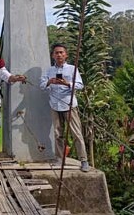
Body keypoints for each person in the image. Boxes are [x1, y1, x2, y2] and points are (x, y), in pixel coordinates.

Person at [40, 44, 90, 173]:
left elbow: (80, 85)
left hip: (69, 105)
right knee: (58, 134)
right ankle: (60, 159)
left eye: (61, 52)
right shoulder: (49, 70)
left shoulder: (72, 69)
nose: (59, 55)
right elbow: (41, 85)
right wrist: (50, 82)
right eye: (56, 53)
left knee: (76, 133)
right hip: (55, 105)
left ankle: (83, 160)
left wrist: (67, 83)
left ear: (66, 55)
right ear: (53, 55)